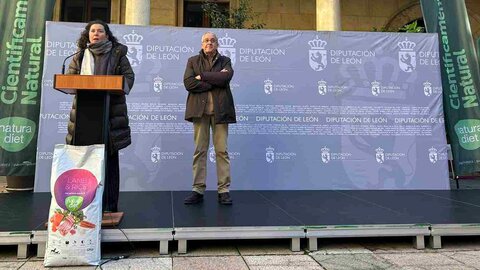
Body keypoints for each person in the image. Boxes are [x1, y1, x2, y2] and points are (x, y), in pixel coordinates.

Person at [66, 20, 135, 212]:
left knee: (109, 163)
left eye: (100, 30)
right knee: (83, 161)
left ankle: (109, 207)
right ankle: (83, 205)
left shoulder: (118, 53)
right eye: (92, 31)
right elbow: (71, 79)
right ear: (88, 35)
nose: (96, 33)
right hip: (83, 117)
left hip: (109, 116)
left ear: (107, 34)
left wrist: (110, 86)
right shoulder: (80, 55)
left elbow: (128, 78)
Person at [183, 32, 236, 205]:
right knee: (200, 151)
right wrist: (215, 78)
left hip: (220, 113)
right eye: (206, 41)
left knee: (222, 151)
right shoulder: (192, 61)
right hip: (200, 112)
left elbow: (226, 77)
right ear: (201, 44)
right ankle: (198, 189)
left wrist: (203, 76)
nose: (209, 43)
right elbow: (189, 83)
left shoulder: (225, 60)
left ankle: (224, 190)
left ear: (217, 44)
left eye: (213, 41)